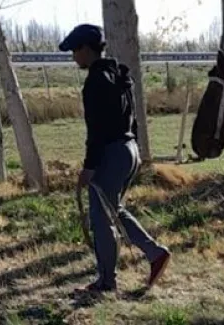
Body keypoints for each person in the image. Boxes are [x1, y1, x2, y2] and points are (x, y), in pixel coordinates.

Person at [59, 23, 171, 293]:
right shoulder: (119, 75)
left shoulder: (95, 82)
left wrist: (89, 167)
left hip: (110, 153)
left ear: (86, 49)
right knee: (113, 210)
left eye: (75, 50)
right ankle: (153, 255)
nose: (74, 56)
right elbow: (133, 121)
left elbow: (95, 130)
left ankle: (108, 281)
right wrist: (136, 152)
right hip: (129, 150)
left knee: (101, 217)